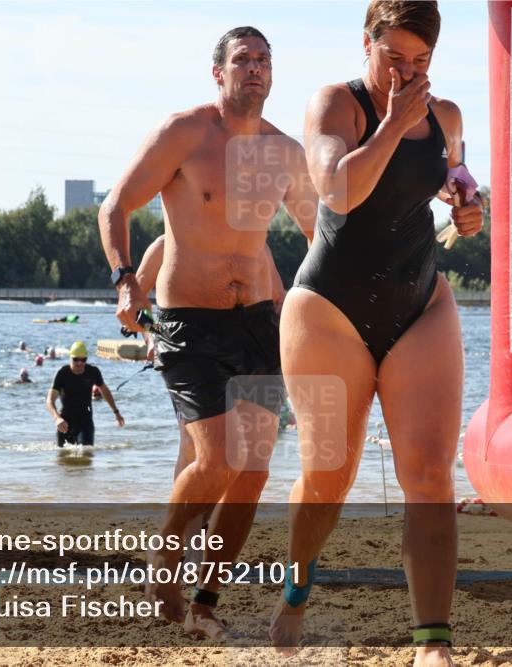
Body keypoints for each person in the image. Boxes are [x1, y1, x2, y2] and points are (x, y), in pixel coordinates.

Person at [270, 3, 483, 664]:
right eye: (395, 58)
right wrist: (392, 124)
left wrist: (470, 209)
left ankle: (432, 641)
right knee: (329, 475)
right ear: (367, 43)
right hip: (327, 308)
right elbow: (336, 191)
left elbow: (458, 179)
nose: (407, 74)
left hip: (419, 300)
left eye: (420, 63)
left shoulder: (444, 116)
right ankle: (297, 584)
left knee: (428, 473)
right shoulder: (335, 104)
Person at [98, 26, 316, 638]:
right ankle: (165, 558)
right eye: (243, 60)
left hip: (258, 325)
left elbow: (323, 235)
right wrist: (125, 281)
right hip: (187, 320)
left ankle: (205, 601)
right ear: (217, 72)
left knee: (251, 471)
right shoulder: (184, 133)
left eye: (264, 60)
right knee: (217, 460)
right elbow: (115, 206)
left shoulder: (285, 153)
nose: (255, 69)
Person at [46, 341, 124, 447]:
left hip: (85, 422)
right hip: (65, 422)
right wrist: (56, 418)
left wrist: (116, 412)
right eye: (76, 359)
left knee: (86, 453)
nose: (79, 363)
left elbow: (105, 391)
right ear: (70, 358)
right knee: (63, 459)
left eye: (83, 360)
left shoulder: (92, 372)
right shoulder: (62, 373)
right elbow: (50, 400)